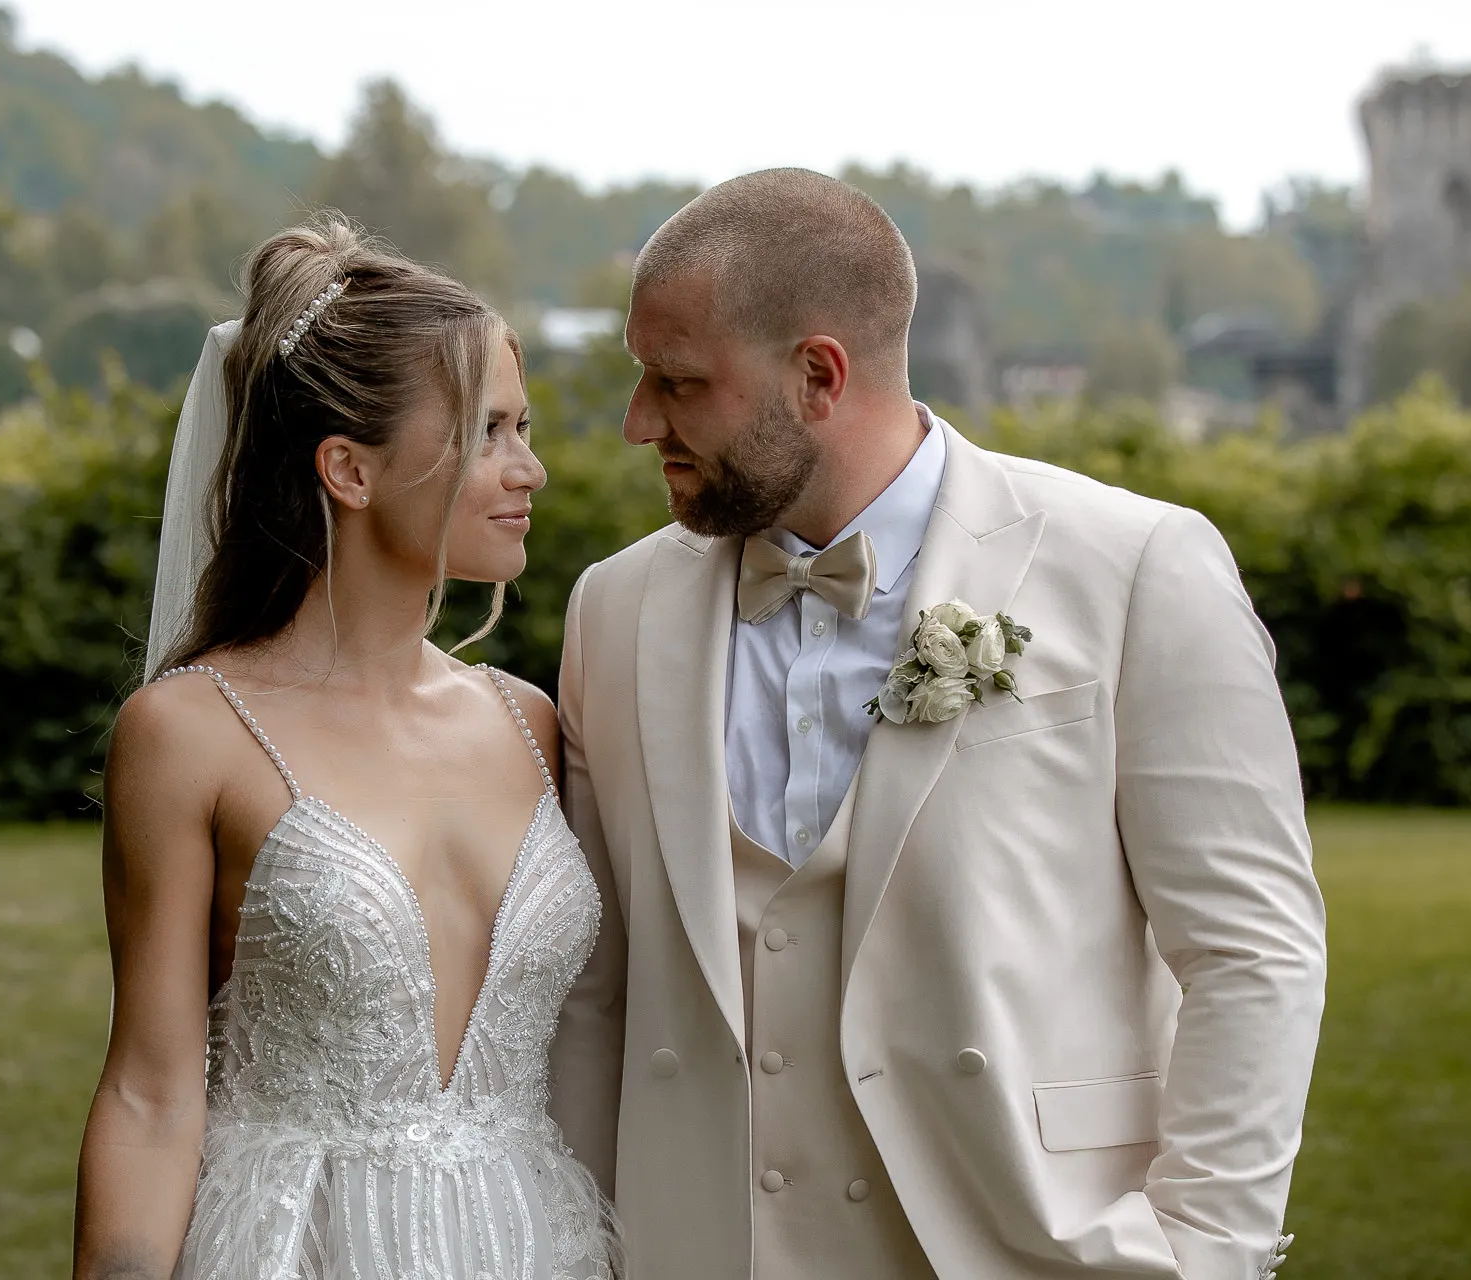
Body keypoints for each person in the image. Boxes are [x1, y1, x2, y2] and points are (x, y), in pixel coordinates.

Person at [548, 169, 1327, 1280]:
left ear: (819, 375)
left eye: (678, 382)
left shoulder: (1136, 566)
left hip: (1023, 1240)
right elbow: (597, 983)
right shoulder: (613, 609)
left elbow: (1254, 947)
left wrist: (1207, 1248)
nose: (637, 423)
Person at [73, 217, 621, 1280]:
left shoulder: (528, 720)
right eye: (489, 432)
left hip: (532, 1241)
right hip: (298, 1247)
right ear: (350, 469)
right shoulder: (190, 732)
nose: (532, 470)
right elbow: (149, 1093)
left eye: (525, 427)